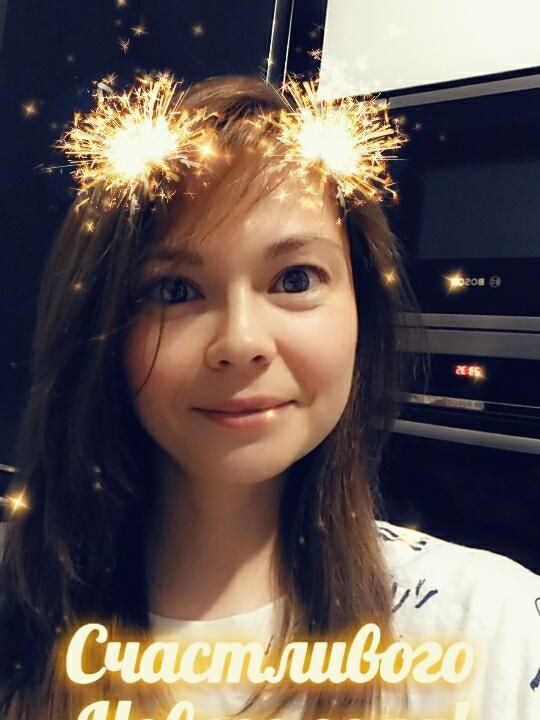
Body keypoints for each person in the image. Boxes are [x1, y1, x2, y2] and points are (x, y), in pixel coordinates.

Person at [0, 74, 538, 720]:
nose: (242, 342)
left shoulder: (497, 625)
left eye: (295, 279)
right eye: (174, 290)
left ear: (361, 312)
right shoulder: (17, 615)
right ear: (104, 329)